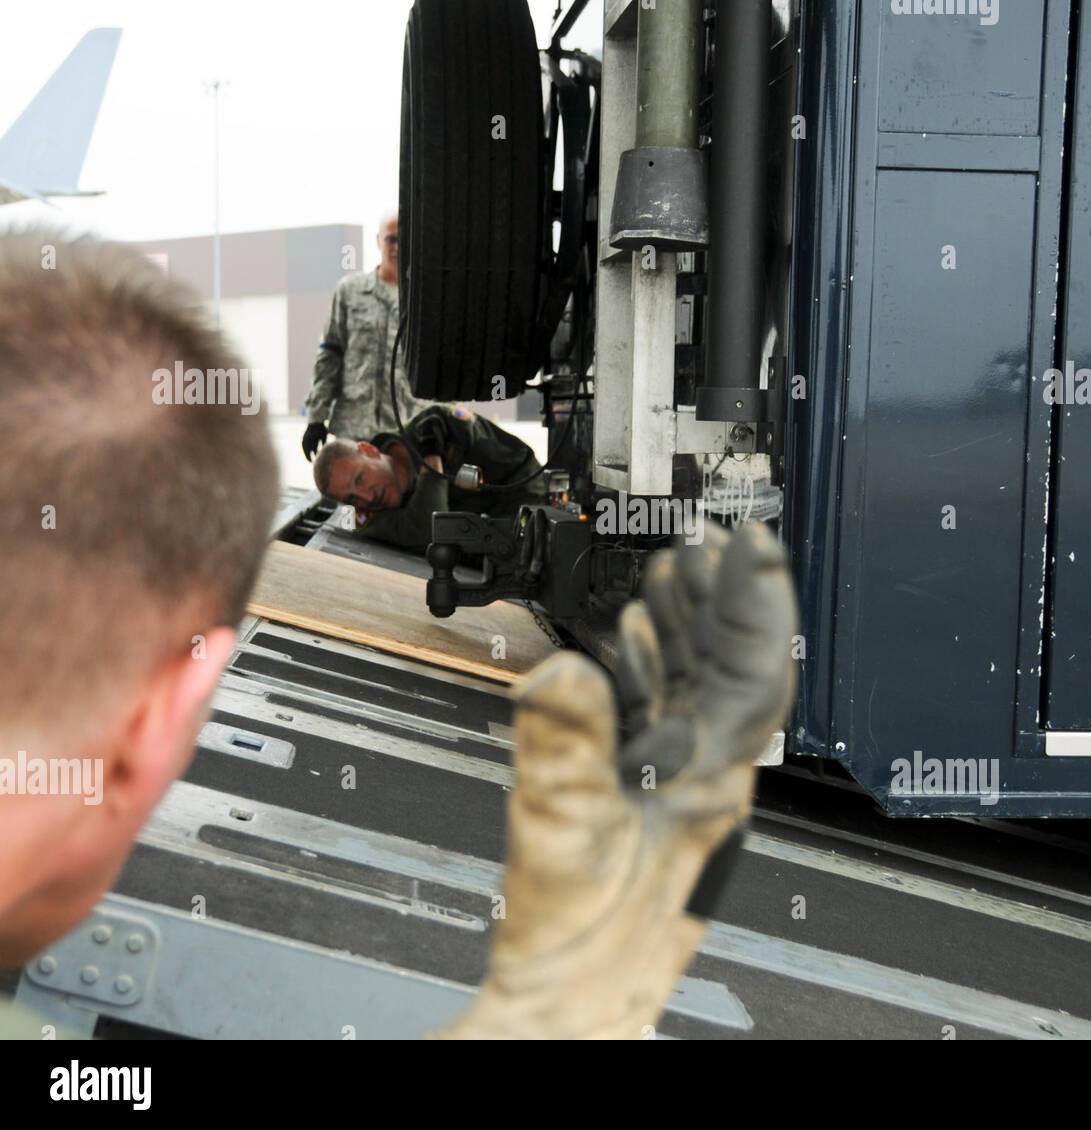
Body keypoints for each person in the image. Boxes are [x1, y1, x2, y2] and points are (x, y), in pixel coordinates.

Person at [0, 227, 797, 1041]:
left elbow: (479, 445)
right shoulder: (365, 406)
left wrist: (438, 449)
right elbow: (333, 362)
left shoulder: (433, 441)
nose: (363, 506)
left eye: (364, 489)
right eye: (352, 499)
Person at [312, 402, 547, 551]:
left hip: (528, 515)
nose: (366, 497)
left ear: (369, 450)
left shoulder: (440, 424)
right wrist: (433, 463)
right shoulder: (365, 518)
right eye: (352, 498)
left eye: (360, 479)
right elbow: (428, 531)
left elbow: (524, 470)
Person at [301, 208, 432, 459]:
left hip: (404, 431)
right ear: (378, 241)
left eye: (404, 241)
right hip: (353, 430)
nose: (397, 248)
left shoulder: (423, 301)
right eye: (391, 239)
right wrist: (316, 418)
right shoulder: (350, 292)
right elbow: (329, 357)